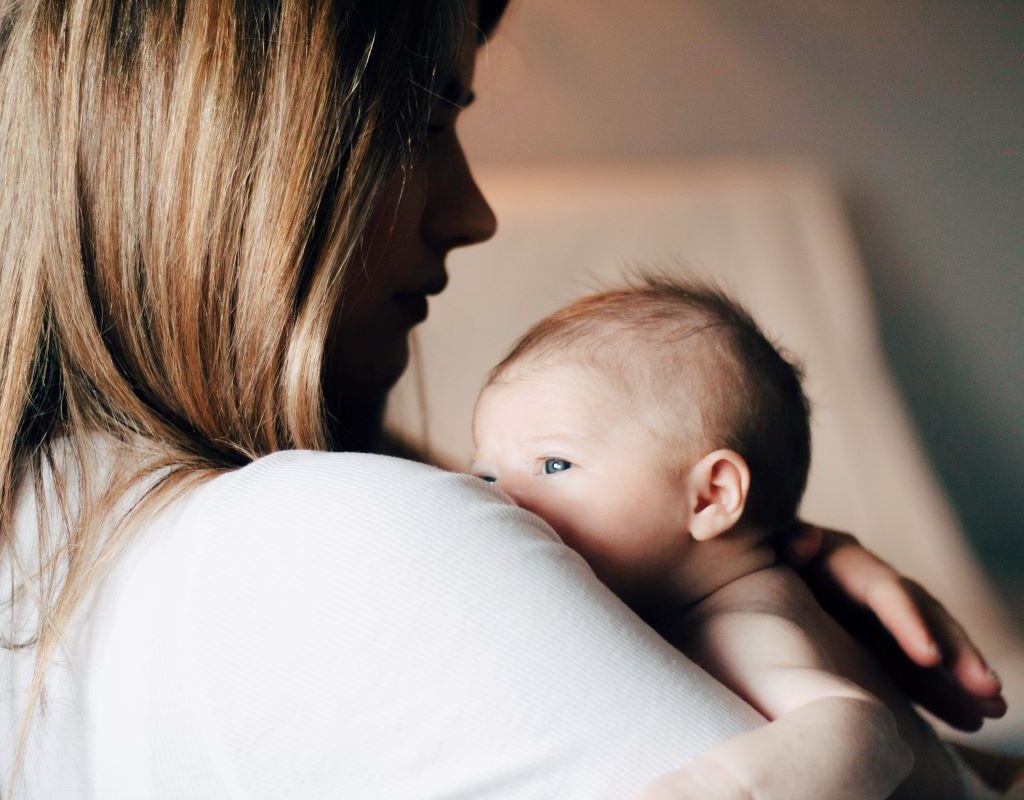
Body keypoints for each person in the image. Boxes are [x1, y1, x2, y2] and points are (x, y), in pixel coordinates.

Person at [0, 0, 1012, 797]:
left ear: (714, 492)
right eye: (421, 120)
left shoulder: (53, 540)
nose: (472, 211)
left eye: (552, 467)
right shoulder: (326, 536)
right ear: (226, 149)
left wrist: (764, 553)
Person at [469, 275, 1005, 799]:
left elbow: (864, 730)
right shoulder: (706, 597)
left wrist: (719, 787)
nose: (501, 497)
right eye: (486, 476)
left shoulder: (743, 623)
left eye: (554, 463)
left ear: (711, 497)